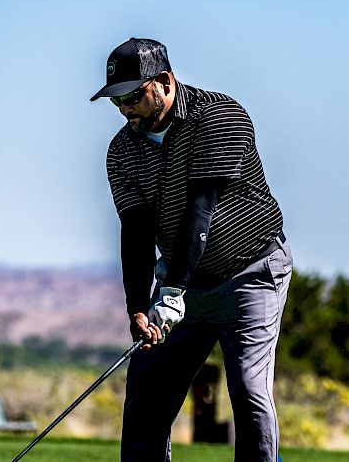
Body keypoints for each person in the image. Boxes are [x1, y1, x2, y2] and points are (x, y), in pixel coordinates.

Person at [90, 38, 292, 462]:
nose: (124, 109)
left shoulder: (218, 116)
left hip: (251, 274)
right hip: (184, 284)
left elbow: (201, 212)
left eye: (132, 96)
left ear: (163, 81)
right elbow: (136, 232)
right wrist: (137, 308)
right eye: (115, 101)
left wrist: (173, 291)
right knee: (147, 387)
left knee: (248, 392)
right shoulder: (122, 151)